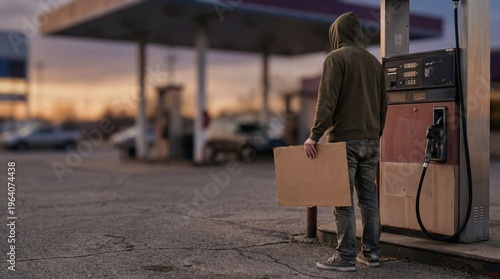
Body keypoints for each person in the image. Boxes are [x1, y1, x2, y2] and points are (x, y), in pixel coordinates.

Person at [303, 12, 387, 272]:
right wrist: (376, 132)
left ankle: (346, 257)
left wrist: (314, 135)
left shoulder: (335, 58)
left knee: (343, 201)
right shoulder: (374, 62)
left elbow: (326, 101)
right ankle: (371, 254)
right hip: (371, 140)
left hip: (345, 141)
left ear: (336, 34)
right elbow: (384, 104)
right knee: (369, 201)